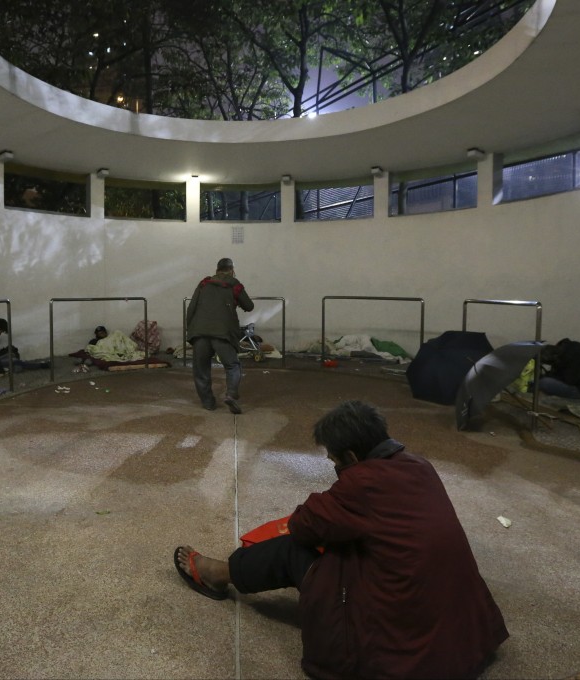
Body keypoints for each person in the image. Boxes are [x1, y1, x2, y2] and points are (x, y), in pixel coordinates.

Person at [174, 400, 509, 679]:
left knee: (291, 548)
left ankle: (219, 574)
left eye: (334, 460)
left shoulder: (361, 483)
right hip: (464, 635)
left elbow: (305, 525)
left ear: (350, 457)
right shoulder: (419, 466)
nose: (334, 466)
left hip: (407, 649)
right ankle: (226, 572)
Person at [185, 257, 254, 413]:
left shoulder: (204, 283)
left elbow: (191, 308)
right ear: (231, 270)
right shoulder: (234, 284)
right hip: (223, 333)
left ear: (216, 270)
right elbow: (249, 306)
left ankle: (208, 403)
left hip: (200, 333)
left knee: (201, 369)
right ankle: (230, 395)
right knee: (232, 365)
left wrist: (191, 332)